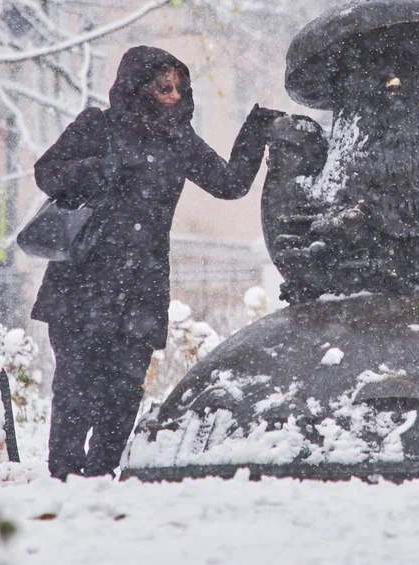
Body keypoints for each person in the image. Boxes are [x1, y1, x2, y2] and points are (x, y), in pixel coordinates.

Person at [30, 45, 280, 480]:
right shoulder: (97, 126)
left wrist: (258, 127)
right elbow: (48, 172)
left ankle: (103, 476)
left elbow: (230, 183)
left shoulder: (177, 141)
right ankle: (63, 479)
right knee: (76, 387)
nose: (173, 95)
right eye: (164, 86)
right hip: (82, 281)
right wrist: (107, 166)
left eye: (180, 88)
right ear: (137, 86)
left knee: (124, 391)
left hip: (141, 285)